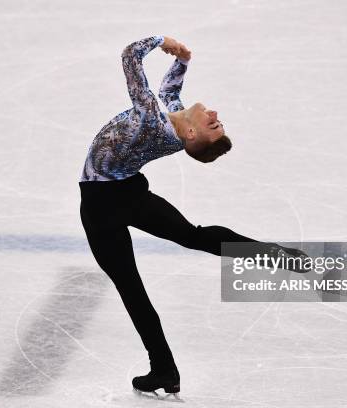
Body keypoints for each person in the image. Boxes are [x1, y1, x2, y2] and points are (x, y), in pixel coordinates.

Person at [78, 35, 308, 399]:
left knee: (132, 289)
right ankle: (280, 256)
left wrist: (160, 41)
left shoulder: (150, 120)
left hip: (101, 203)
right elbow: (170, 92)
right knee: (193, 235)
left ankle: (164, 369)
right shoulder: (171, 121)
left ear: (190, 133)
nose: (215, 116)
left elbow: (130, 56)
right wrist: (182, 60)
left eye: (212, 125)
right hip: (131, 192)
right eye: (217, 122)